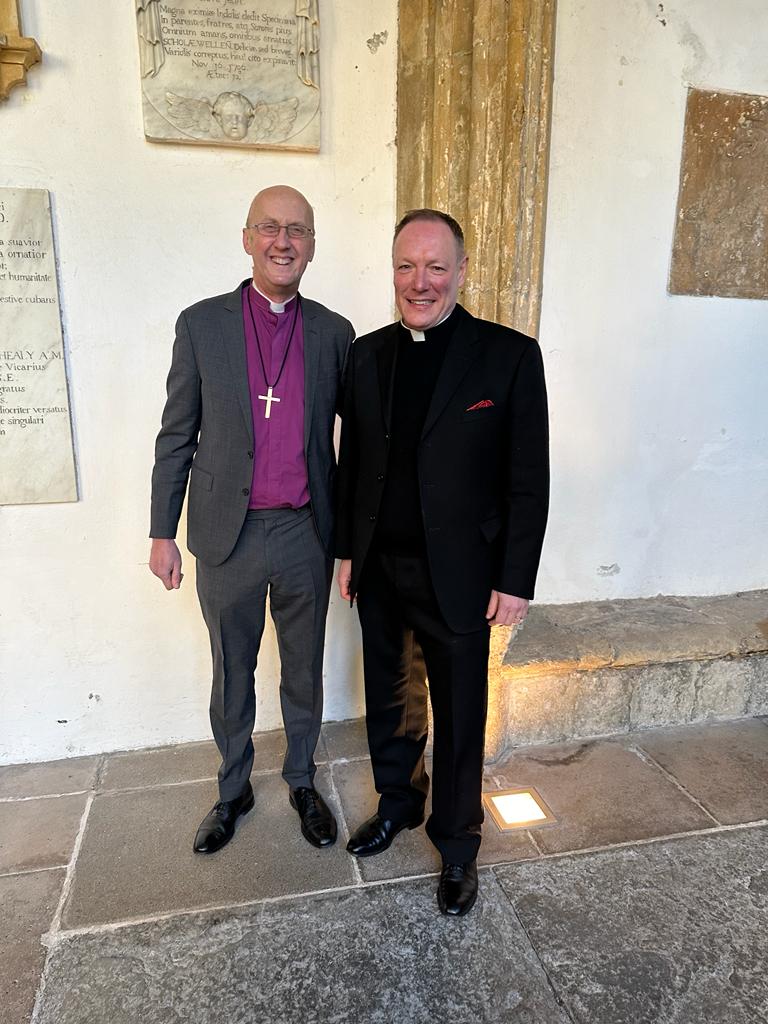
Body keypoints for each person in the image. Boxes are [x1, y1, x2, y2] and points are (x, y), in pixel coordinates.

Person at [335, 209, 549, 916]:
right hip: (381, 570)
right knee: (395, 703)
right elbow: (354, 467)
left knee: (459, 717)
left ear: (461, 270)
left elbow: (528, 479)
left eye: (434, 266)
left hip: (460, 575)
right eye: (406, 266)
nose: (419, 282)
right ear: (392, 270)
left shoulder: (509, 357)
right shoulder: (366, 356)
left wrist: (515, 579)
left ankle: (457, 846)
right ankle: (397, 803)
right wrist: (345, 550)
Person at [149, 185, 354, 854]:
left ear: (313, 246)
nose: (283, 240)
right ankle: (232, 789)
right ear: (247, 238)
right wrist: (162, 532)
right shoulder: (202, 324)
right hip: (225, 535)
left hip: (305, 533)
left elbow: (365, 446)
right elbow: (176, 433)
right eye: (270, 227)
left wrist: (353, 542)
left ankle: (301, 780)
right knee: (231, 669)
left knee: (303, 668)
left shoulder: (334, 332)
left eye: (297, 230)